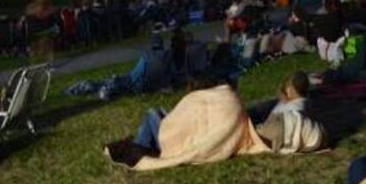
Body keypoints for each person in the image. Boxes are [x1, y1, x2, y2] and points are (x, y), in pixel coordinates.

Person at [108, 74, 268, 170]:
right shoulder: (227, 98)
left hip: (180, 141)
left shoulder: (198, 99)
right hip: (202, 135)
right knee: (160, 112)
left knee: (151, 113)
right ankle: (142, 145)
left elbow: (183, 122)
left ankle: (140, 147)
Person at [255, 71, 325, 153]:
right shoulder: (304, 102)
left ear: (290, 90)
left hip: (283, 127)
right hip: (303, 131)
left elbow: (277, 119)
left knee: (258, 132)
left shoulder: (292, 107)